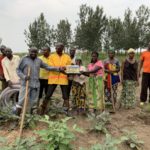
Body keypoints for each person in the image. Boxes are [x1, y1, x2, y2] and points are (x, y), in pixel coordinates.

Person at [14, 47, 64, 116]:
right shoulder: (24, 59)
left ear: (37, 53)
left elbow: (47, 67)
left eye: (35, 52)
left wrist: (58, 69)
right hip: (26, 84)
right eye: (32, 52)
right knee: (21, 100)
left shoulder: (39, 60)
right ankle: (16, 117)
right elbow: (18, 70)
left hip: (35, 84)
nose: (33, 53)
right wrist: (24, 76)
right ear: (29, 51)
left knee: (34, 101)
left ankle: (32, 117)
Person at [40, 43, 71, 115]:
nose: (58, 49)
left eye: (60, 48)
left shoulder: (67, 57)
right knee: (48, 95)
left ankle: (66, 111)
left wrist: (66, 68)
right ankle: (42, 110)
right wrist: (60, 69)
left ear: (63, 48)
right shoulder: (51, 56)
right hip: (53, 79)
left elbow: (69, 66)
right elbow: (50, 67)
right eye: (57, 47)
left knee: (65, 96)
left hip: (63, 79)